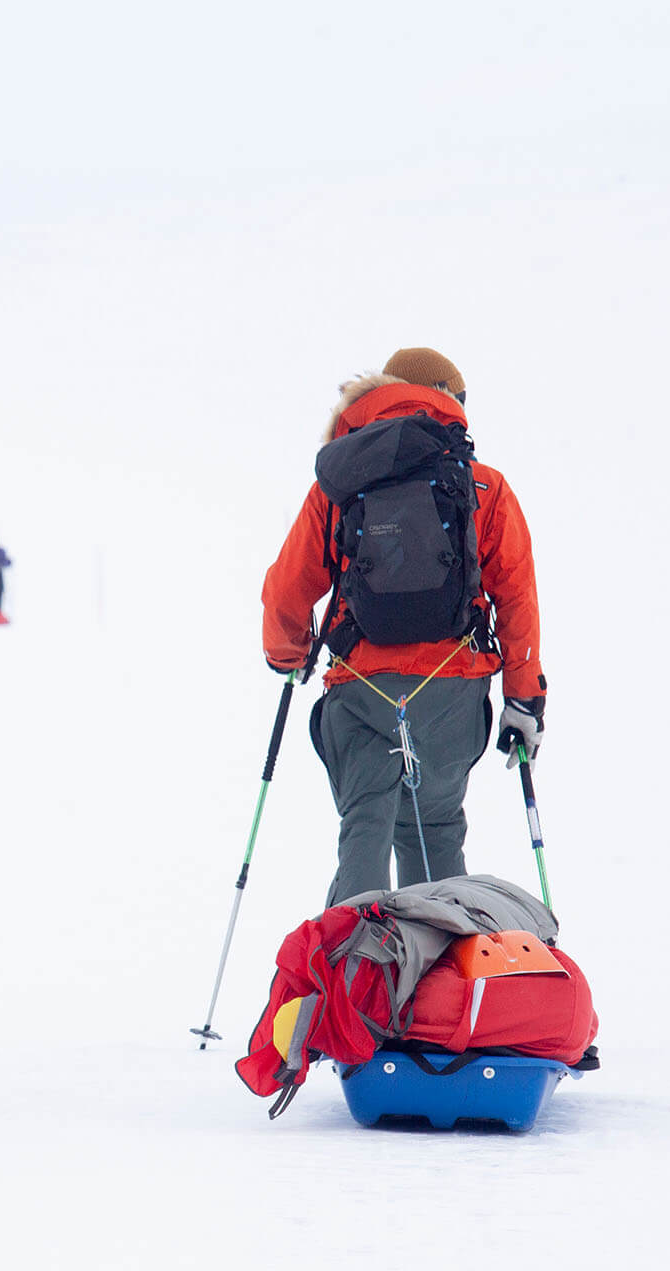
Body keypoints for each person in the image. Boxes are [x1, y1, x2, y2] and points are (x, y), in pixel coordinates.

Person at [260, 348, 544, 906]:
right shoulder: (483, 486)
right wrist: (524, 697)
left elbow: (287, 589)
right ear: (448, 402)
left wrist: (287, 654)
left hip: (361, 691)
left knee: (364, 829)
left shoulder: (339, 485)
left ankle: (353, 973)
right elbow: (516, 595)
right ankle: (446, 977)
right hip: (454, 692)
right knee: (436, 831)